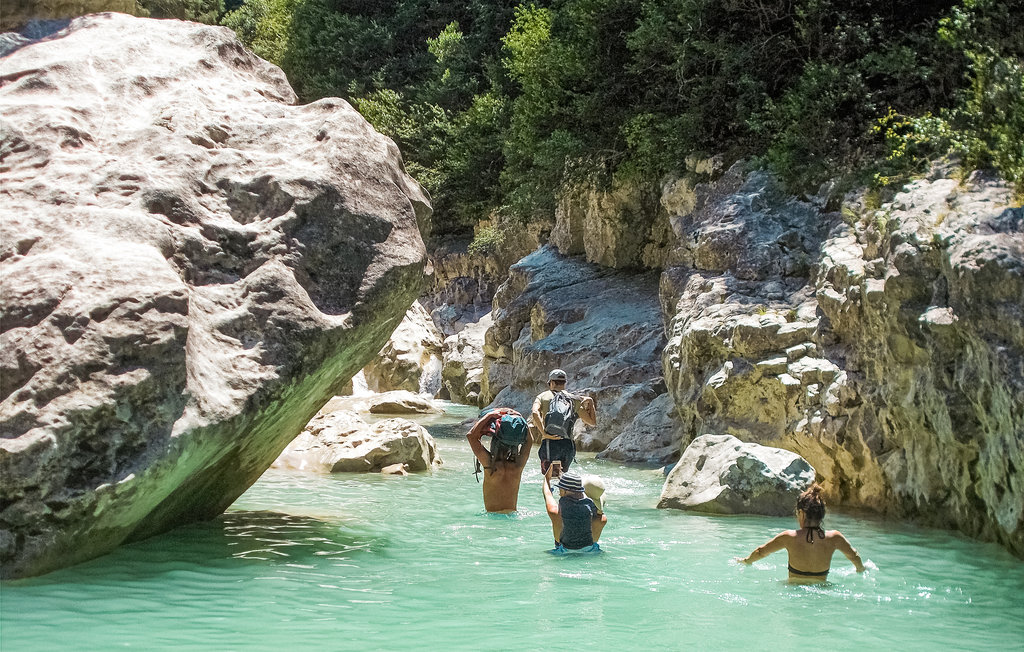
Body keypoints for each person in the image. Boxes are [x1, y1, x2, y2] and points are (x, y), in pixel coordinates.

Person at [737, 483, 865, 582]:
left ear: (802, 513)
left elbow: (761, 551)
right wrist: (861, 569)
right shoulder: (835, 538)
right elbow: (854, 556)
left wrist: (747, 561)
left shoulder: (789, 537)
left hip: (794, 588)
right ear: (822, 514)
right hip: (821, 589)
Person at [466, 408, 534, 513]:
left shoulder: (490, 466)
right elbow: (530, 441)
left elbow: (471, 436)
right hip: (512, 517)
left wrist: (489, 416)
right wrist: (520, 418)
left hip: (492, 518)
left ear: (494, 442)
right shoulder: (518, 466)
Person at [531, 368, 597, 473]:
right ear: (564, 383)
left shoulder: (543, 397)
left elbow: (535, 412)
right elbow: (592, 423)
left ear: (551, 382)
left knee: (549, 478)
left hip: (550, 442)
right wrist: (591, 403)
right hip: (568, 445)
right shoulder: (572, 399)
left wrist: (544, 432)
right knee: (562, 478)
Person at [542, 467, 607, 553]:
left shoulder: (555, 511)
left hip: (563, 554)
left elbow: (547, 493)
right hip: (591, 553)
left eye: (560, 490)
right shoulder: (602, 520)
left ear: (565, 492)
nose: (558, 493)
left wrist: (547, 476)